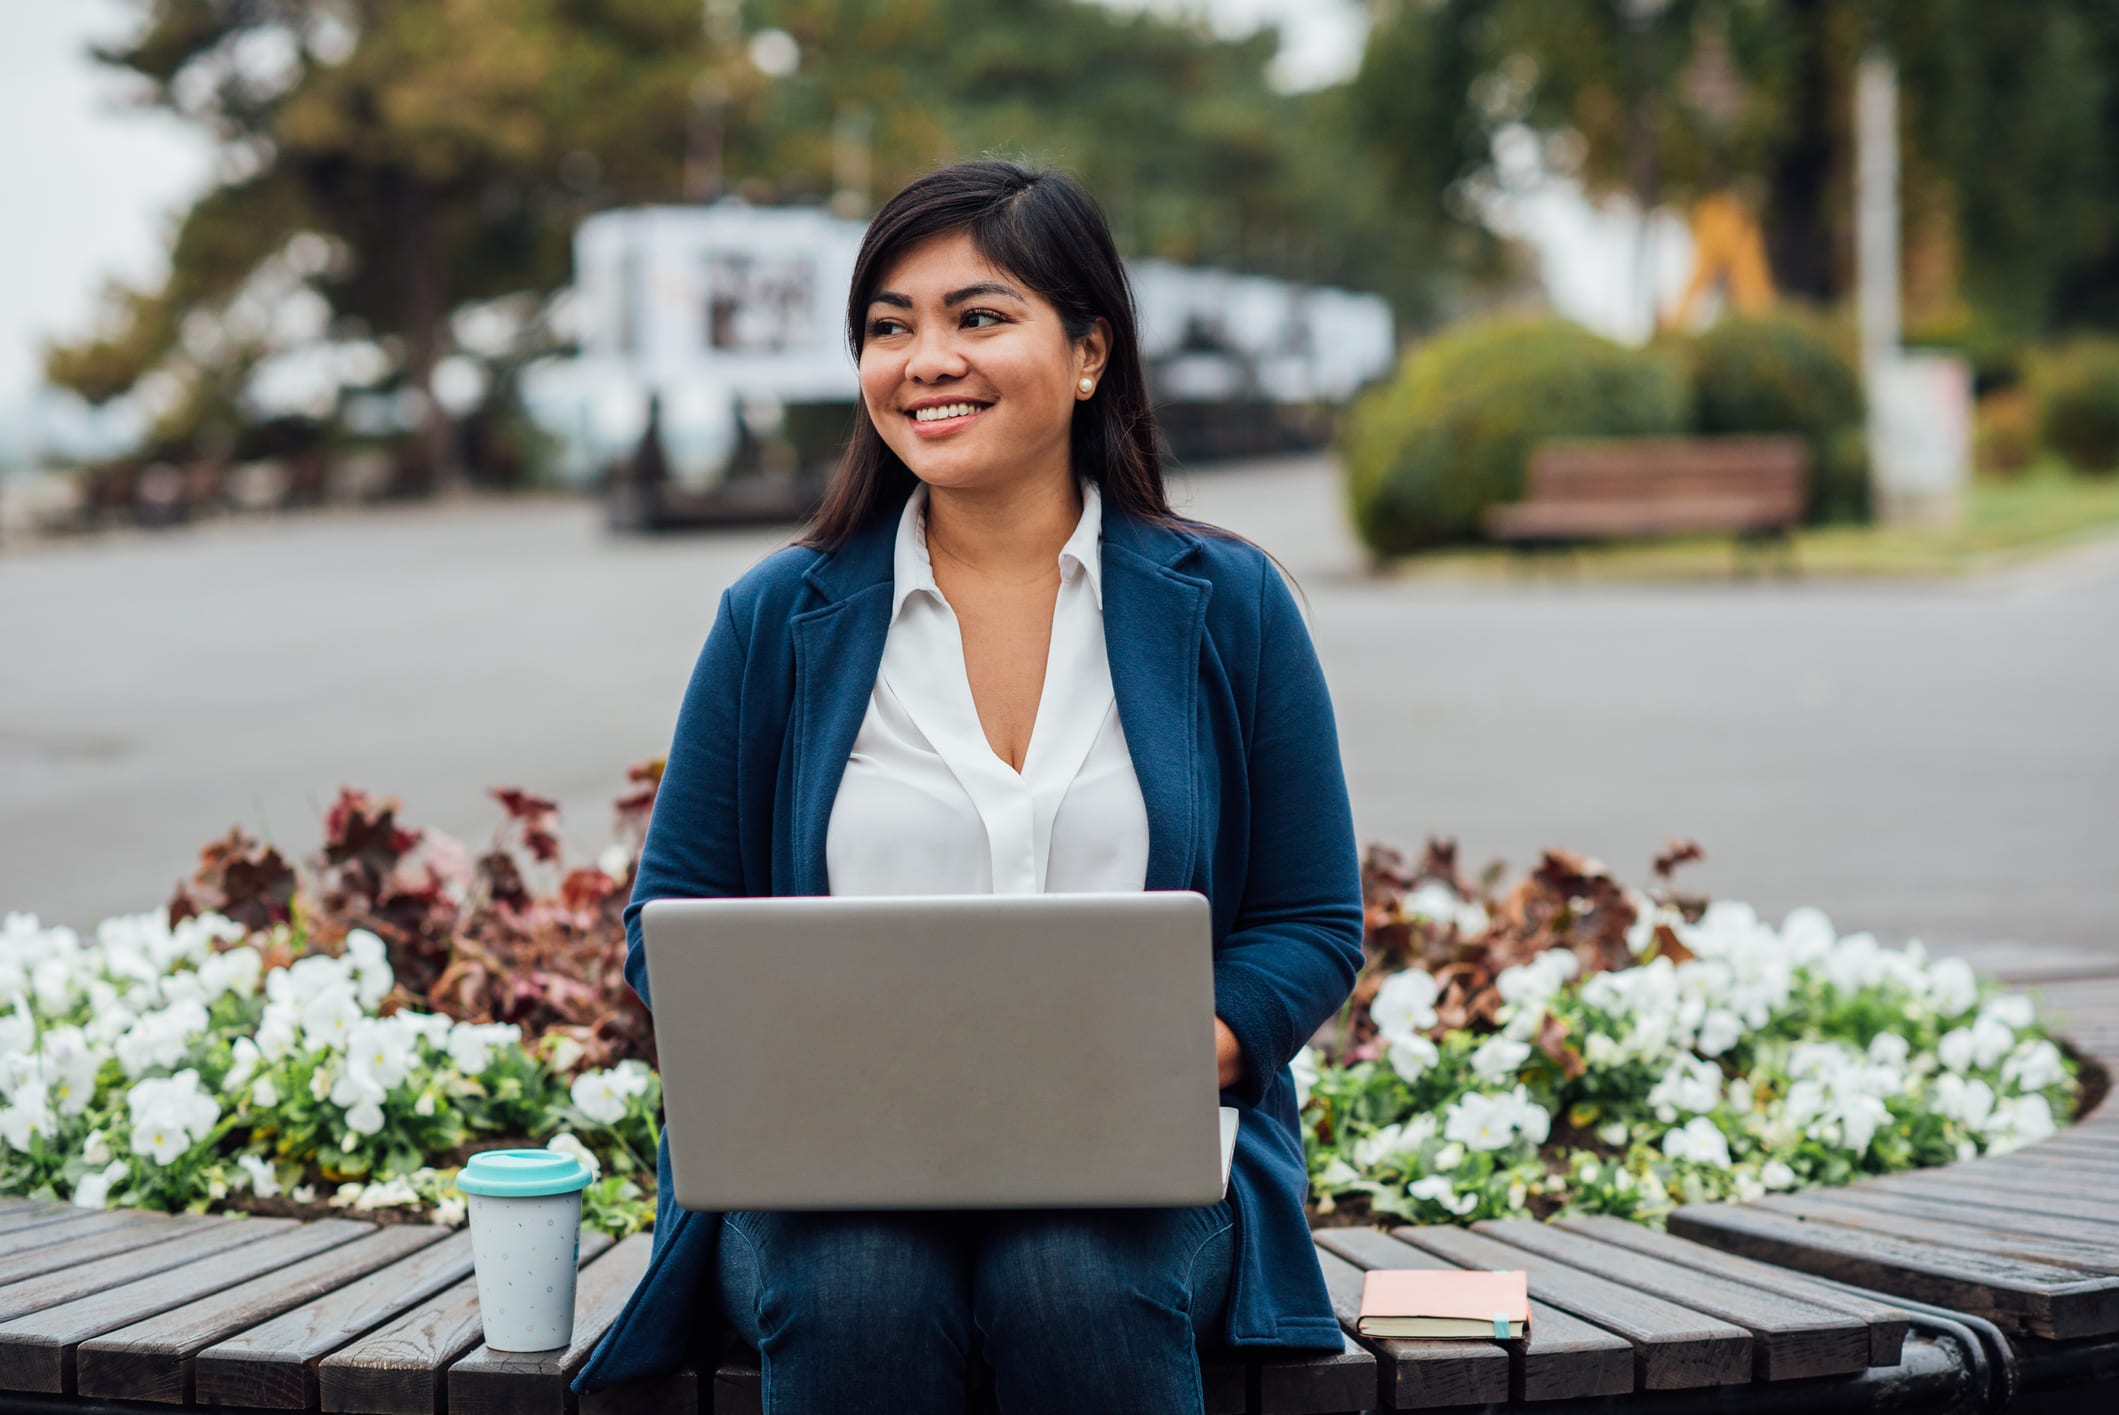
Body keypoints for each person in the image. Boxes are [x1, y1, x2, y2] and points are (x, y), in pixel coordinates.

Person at [572, 159, 1363, 1414]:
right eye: (890, 327)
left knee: (1071, 1279)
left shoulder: (1232, 606)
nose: (924, 358)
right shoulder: (778, 616)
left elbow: (1310, 920)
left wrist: (1177, 1056)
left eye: (977, 316)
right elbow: (670, 920)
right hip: (833, 1166)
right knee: (859, 1287)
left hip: (1146, 1159)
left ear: (1090, 350)